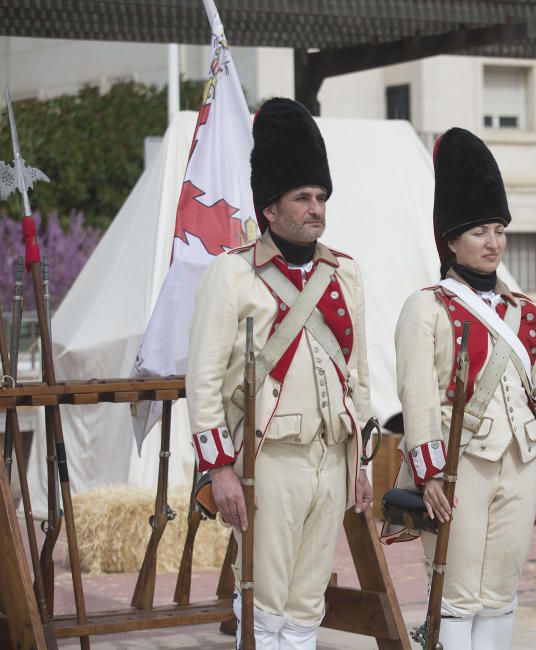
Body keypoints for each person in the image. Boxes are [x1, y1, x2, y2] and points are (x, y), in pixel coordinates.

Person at [186, 98, 374, 648]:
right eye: (303, 197)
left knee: (307, 600)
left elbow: (357, 374)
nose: (317, 208)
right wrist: (219, 468)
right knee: (265, 599)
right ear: (270, 209)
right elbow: (202, 380)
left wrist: (360, 461)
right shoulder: (233, 274)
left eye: (320, 197)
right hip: (267, 458)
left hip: (330, 457)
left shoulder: (346, 273)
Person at [387, 127, 536, 649]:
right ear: (451, 241)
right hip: (457, 467)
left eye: (498, 230)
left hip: (522, 464)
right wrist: (429, 475)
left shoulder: (523, 311)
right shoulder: (427, 306)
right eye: (479, 232)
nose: (493, 243)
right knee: (457, 593)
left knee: (502, 593)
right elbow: (417, 397)